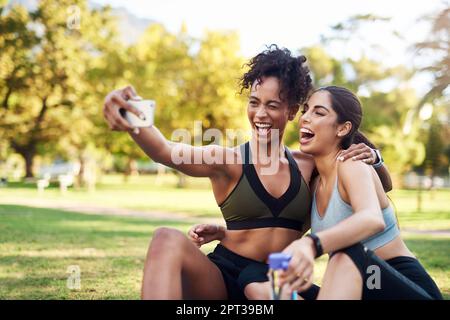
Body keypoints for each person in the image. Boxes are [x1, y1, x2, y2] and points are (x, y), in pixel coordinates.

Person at [102, 45, 390, 300]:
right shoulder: (227, 160)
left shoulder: (311, 164)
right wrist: (134, 120)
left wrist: (375, 158)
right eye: (254, 103)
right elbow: (165, 151)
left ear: (291, 111)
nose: (260, 114)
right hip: (223, 278)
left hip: (278, 284)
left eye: (272, 105)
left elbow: (382, 187)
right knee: (166, 238)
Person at [193, 86, 442, 300]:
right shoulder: (313, 186)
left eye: (318, 112)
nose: (305, 118)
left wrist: (312, 244)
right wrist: (226, 234)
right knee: (256, 275)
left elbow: (372, 219)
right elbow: (280, 238)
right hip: (355, 289)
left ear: (343, 128)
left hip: (393, 284)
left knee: (348, 252)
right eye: (305, 111)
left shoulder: (351, 164)